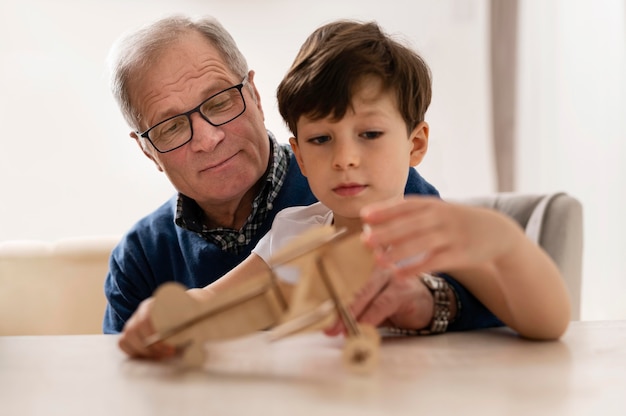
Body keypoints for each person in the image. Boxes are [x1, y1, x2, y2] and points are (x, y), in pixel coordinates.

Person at [115, 18, 571, 358]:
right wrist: (167, 317)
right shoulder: (294, 231)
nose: (346, 158)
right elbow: (216, 299)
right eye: (320, 140)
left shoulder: (424, 225)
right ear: (302, 156)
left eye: (369, 135)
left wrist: (506, 244)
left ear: (416, 145)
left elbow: (544, 319)